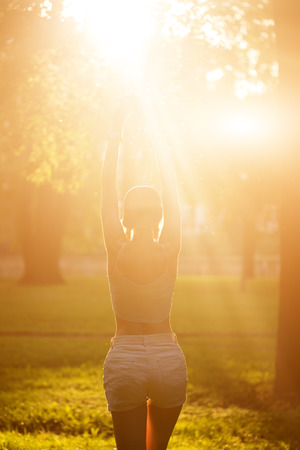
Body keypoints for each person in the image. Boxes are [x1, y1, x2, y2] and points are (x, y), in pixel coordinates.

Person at [101, 98, 187, 450]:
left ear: (125, 214)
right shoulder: (169, 247)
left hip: (124, 359)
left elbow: (106, 188)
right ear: (160, 213)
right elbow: (173, 189)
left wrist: (115, 134)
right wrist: (157, 134)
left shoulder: (115, 247)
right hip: (168, 358)